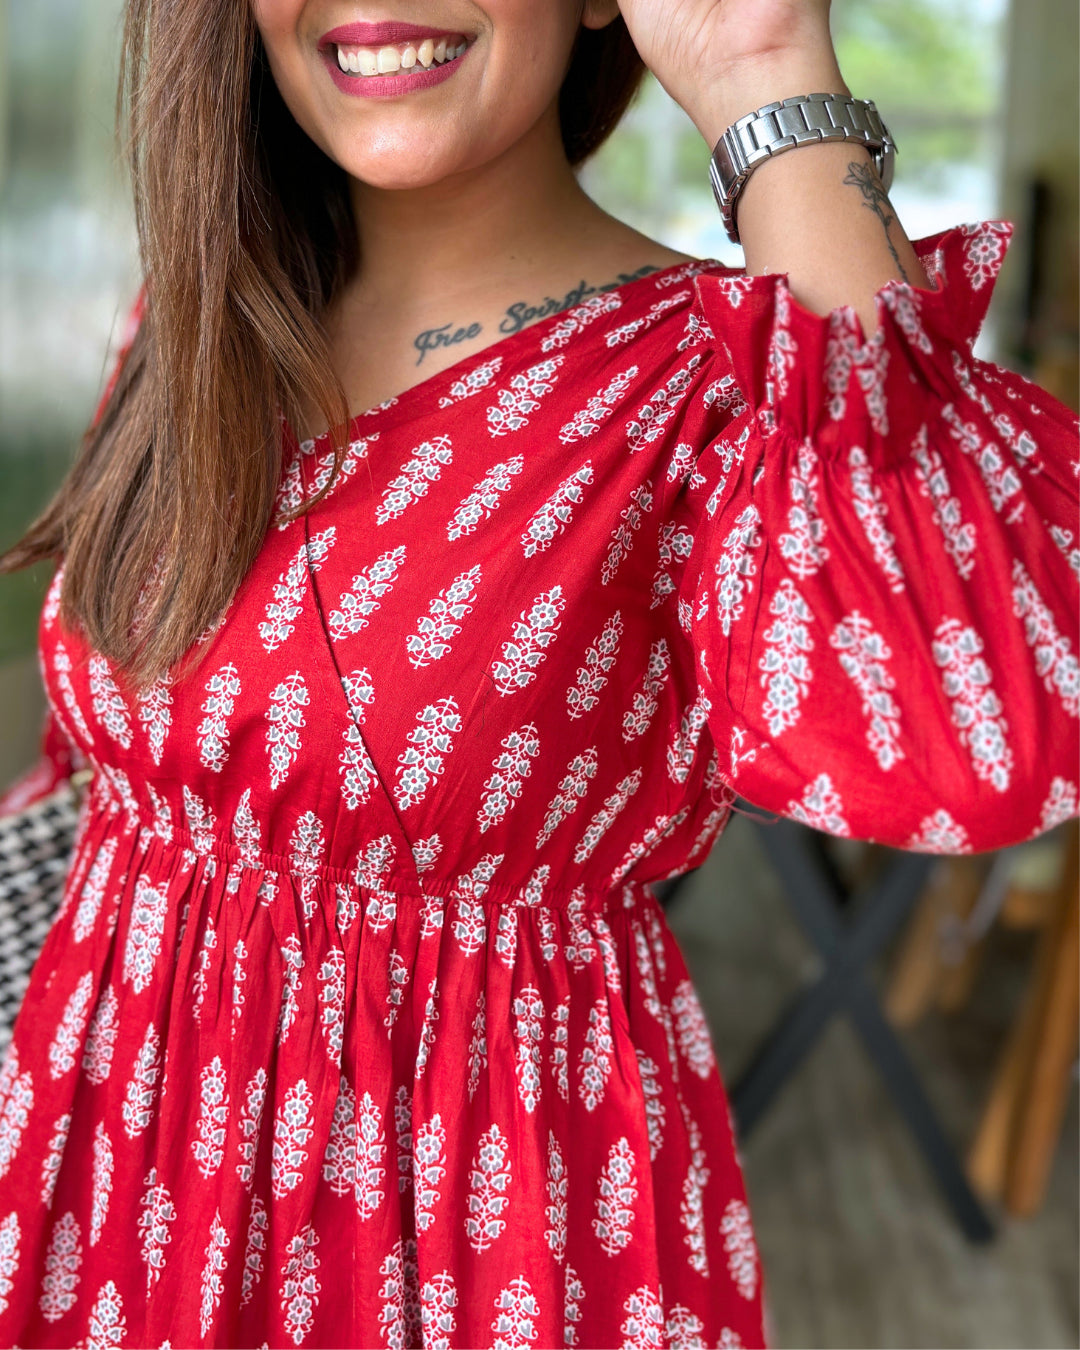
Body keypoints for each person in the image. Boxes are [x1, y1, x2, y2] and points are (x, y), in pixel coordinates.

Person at [0, 0, 1076, 1346]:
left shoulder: (722, 388)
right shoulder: (201, 311)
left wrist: (761, 69)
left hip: (463, 1238)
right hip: (103, 1182)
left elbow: (968, 752)